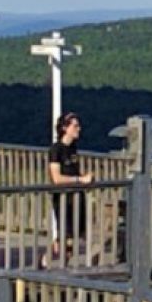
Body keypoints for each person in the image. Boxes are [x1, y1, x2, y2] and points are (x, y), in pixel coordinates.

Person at [46, 111, 94, 266]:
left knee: (73, 235)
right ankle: (49, 261)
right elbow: (57, 178)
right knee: (65, 235)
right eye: (75, 126)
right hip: (63, 198)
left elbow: (73, 170)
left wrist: (85, 179)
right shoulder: (56, 150)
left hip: (76, 197)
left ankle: (57, 263)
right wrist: (79, 179)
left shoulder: (73, 148)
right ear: (65, 128)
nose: (78, 129)